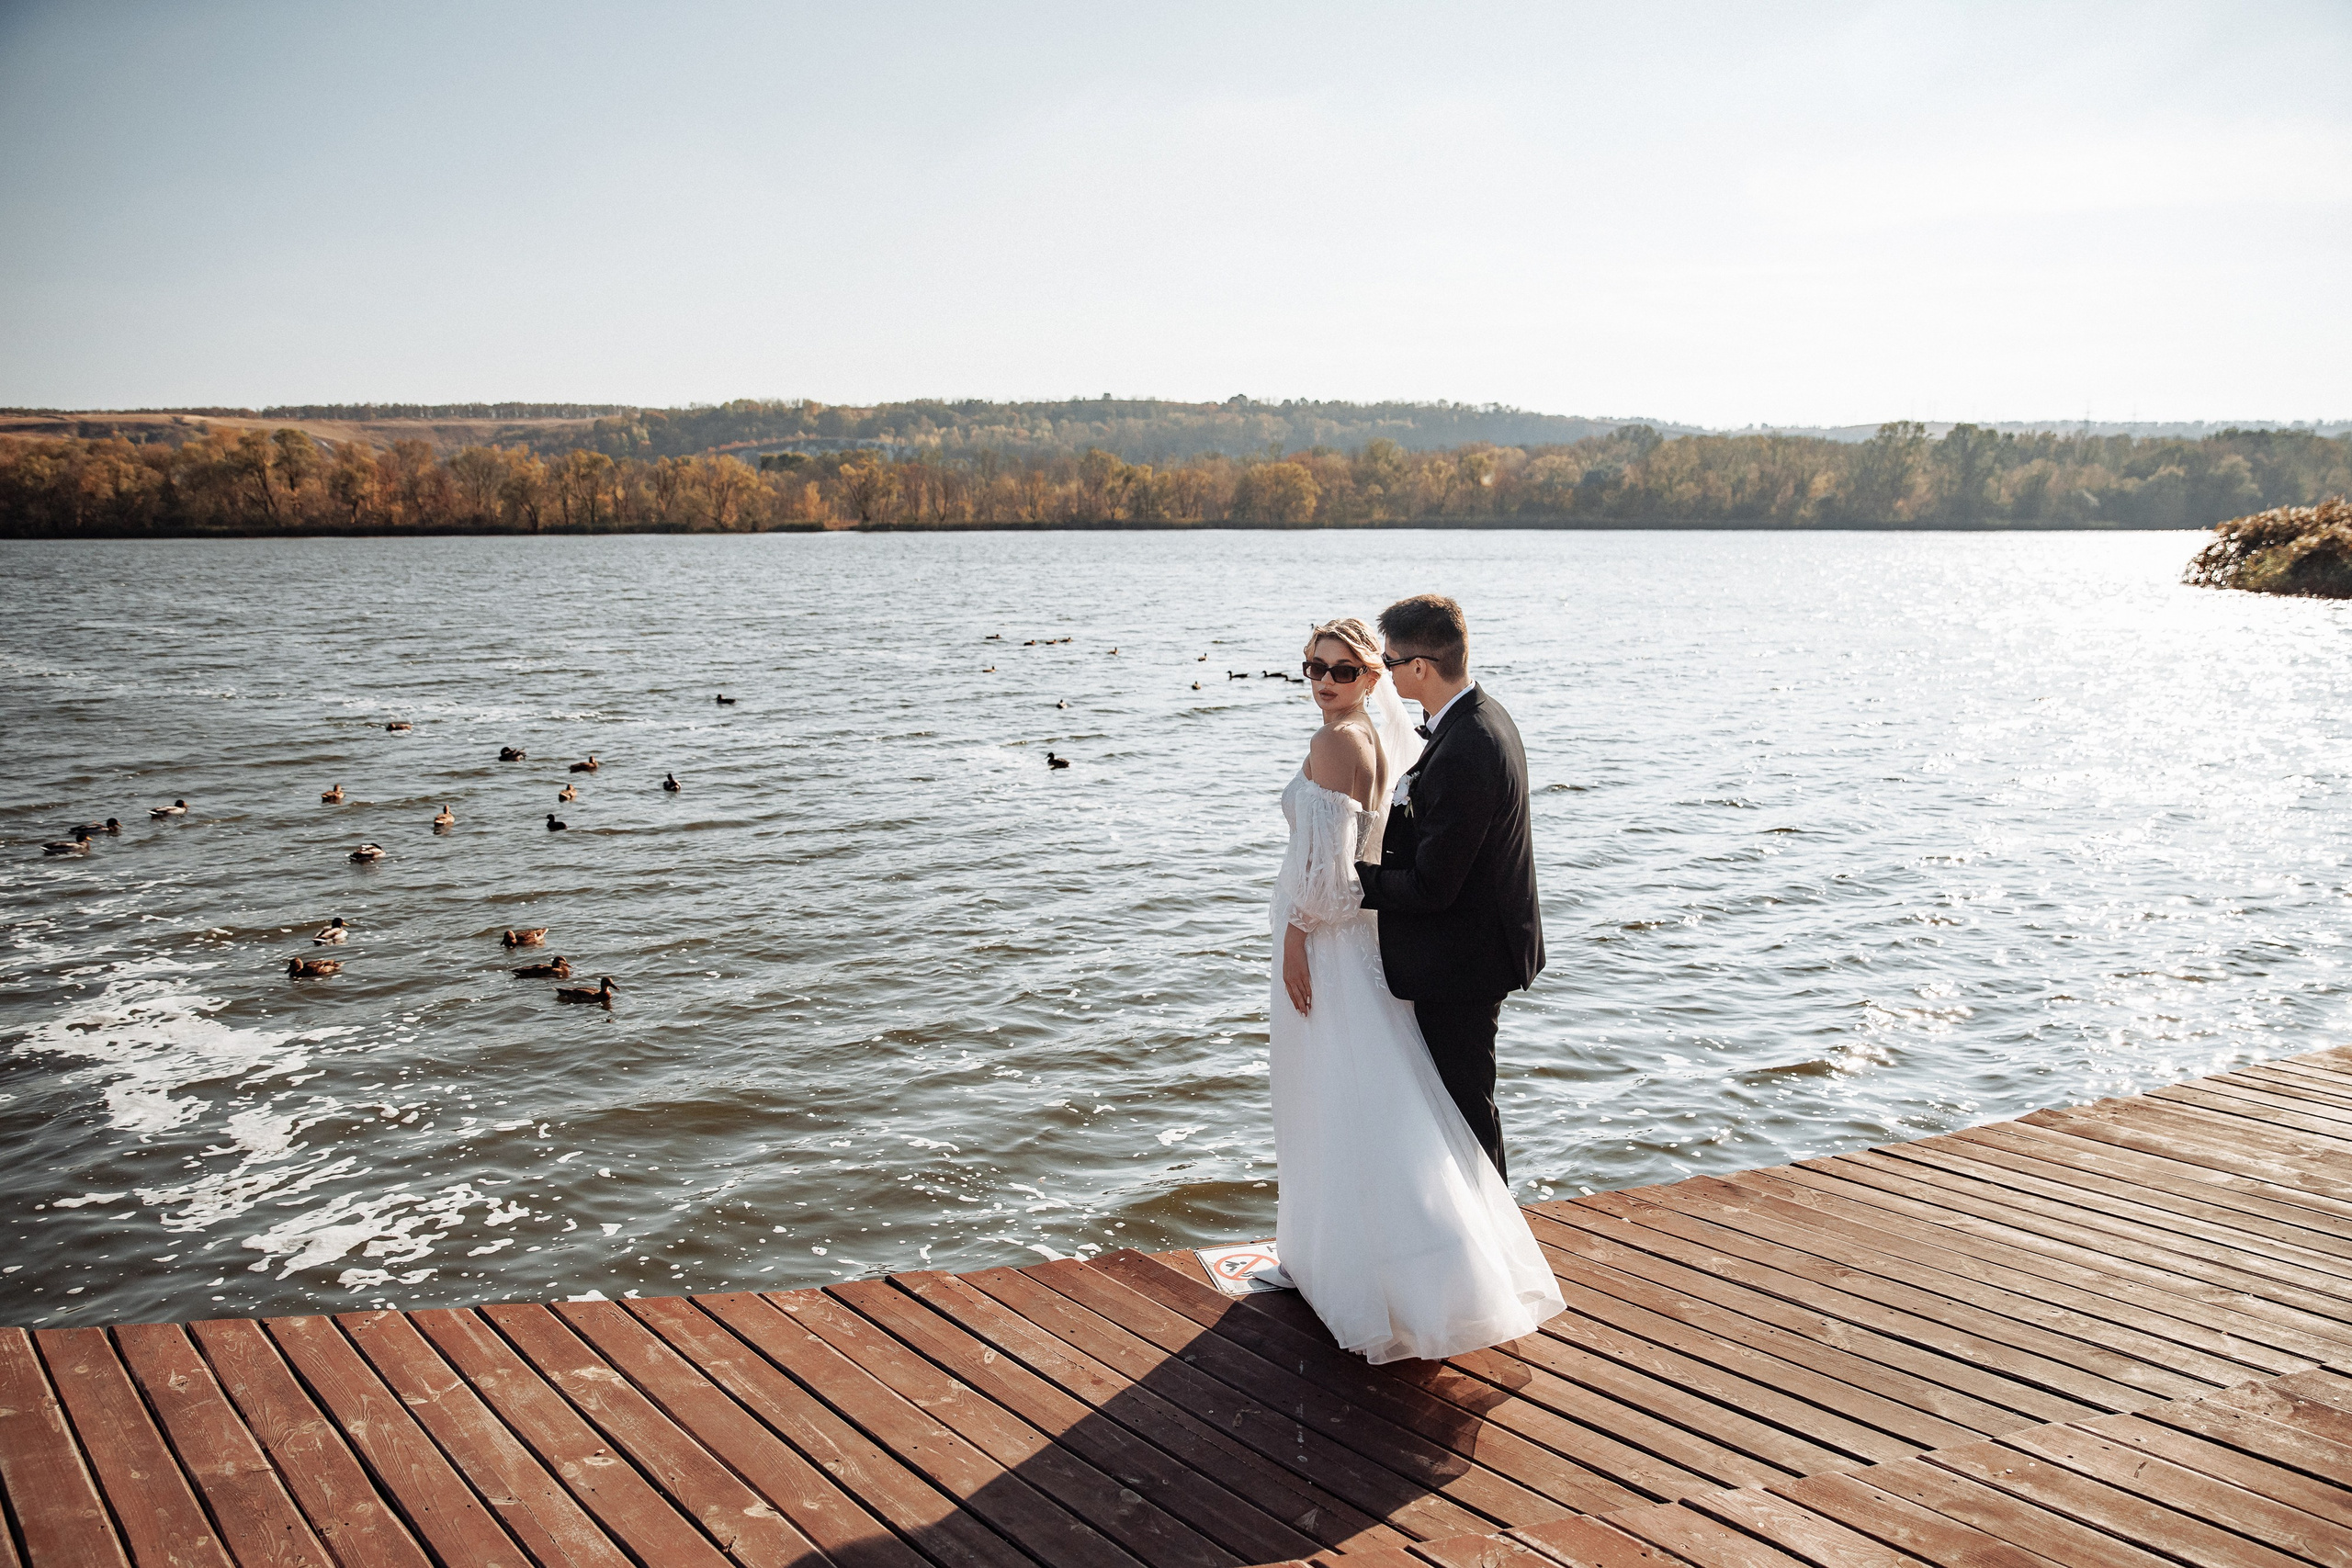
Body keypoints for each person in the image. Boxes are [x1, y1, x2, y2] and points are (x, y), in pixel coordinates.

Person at [1269, 613, 1562, 1364]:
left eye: (1346, 669)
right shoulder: (1401, 737)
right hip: (1385, 946)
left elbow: (1346, 877)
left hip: (1364, 947)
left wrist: (1300, 932)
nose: (1324, 682)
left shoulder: (1345, 742)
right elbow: (1374, 847)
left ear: (1384, 674)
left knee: (1360, 1100)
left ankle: (1467, 1263)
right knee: (1409, 1103)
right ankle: (1440, 1250)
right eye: (1314, 667)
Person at [1355, 593, 1544, 1179]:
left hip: (1464, 960)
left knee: (1464, 1108)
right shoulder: (1472, 719)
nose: (1383, 672)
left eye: (1388, 662)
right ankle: (1477, 1235)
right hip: (1470, 948)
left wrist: (1353, 881)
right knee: (1460, 1103)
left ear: (1420, 667)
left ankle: (1494, 1246)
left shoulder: (1469, 746)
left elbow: (1434, 886)